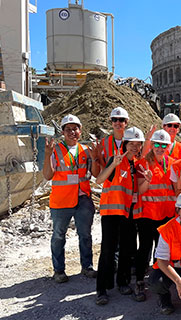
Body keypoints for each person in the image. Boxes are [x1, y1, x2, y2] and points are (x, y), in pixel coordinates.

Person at [42, 114, 99, 283]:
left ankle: (87, 266)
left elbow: (95, 173)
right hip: (61, 201)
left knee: (85, 235)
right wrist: (47, 155)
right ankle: (59, 270)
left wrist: (95, 157)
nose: (72, 132)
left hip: (83, 199)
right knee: (59, 236)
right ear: (63, 132)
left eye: (75, 129)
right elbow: (47, 175)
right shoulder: (56, 150)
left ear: (80, 131)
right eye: (68, 129)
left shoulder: (85, 151)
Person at [95, 127, 145, 305]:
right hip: (111, 213)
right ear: (125, 144)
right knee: (108, 251)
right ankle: (102, 289)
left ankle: (122, 283)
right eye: (132, 144)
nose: (135, 147)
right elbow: (99, 180)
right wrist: (113, 165)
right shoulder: (116, 160)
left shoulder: (135, 165)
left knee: (127, 250)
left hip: (128, 213)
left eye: (138, 144)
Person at [132, 129, 176, 302]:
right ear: (151, 145)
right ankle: (140, 281)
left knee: (162, 250)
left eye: (163, 145)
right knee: (144, 248)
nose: (160, 148)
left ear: (168, 147)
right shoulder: (143, 164)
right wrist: (148, 180)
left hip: (166, 215)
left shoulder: (172, 163)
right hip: (147, 215)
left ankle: (160, 280)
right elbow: (140, 190)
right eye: (157, 144)